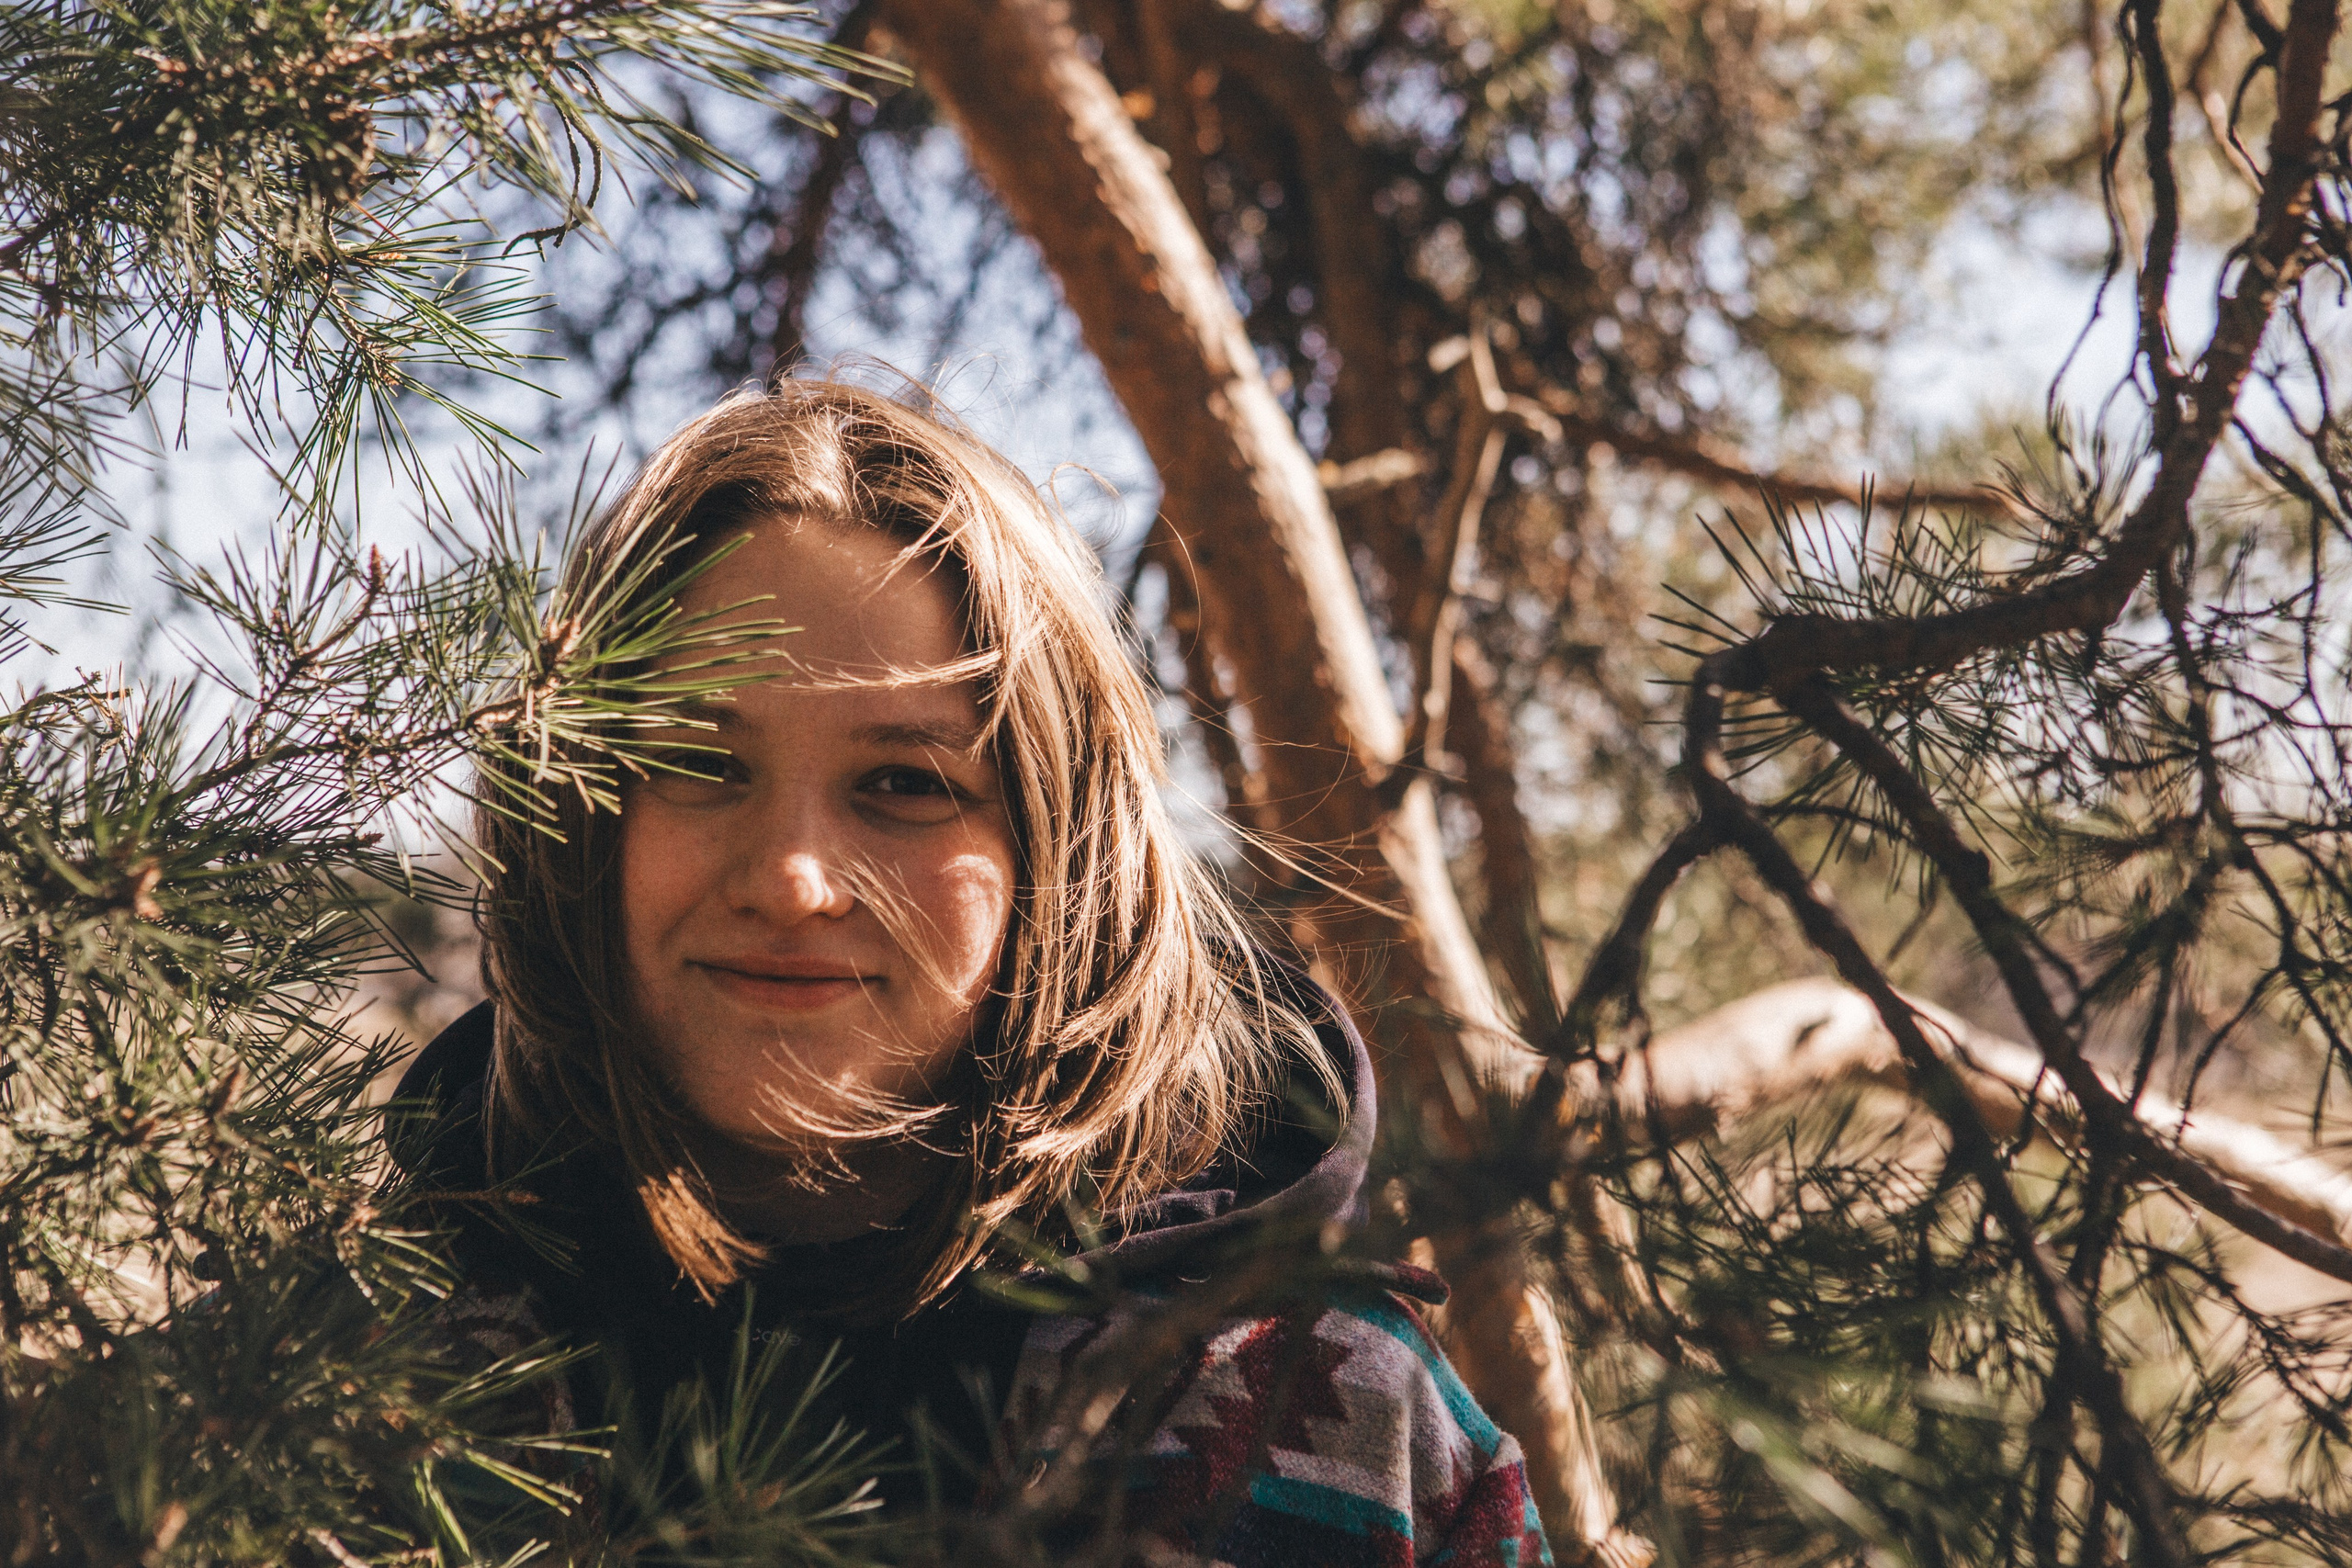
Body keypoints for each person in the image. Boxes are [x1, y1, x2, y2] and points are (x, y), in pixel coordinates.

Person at [395, 378, 1553, 1564]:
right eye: (699, 758)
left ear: (1058, 862)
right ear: (579, 825)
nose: (793, 879)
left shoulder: (1358, 1432)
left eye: (904, 784)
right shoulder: (347, 1391)